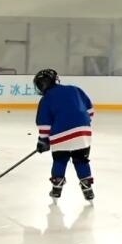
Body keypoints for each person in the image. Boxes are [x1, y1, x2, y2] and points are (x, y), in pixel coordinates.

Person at [34, 69, 95, 201]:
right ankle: (88, 189)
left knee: (60, 160)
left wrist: (43, 141)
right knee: (81, 160)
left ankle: (57, 188)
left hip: (60, 135)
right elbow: (90, 111)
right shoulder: (74, 89)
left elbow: (44, 124)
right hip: (83, 133)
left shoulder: (46, 99)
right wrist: (81, 125)